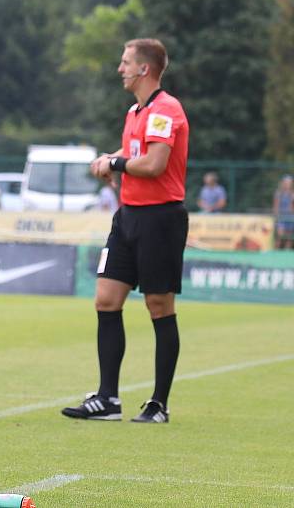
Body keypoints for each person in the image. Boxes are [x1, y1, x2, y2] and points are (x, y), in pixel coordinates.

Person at [61, 38, 189, 424]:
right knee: (106, 299)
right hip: (128, 217)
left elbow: (153, 165)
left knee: (159, 306)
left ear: (144, 69)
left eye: (126, 62)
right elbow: (133, 167)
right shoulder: (135, 111)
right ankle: (108, 399)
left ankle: (158, 404)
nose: (120, 68)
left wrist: (113, 162)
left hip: (160, 220)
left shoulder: (166, 110)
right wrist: (114, 171)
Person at [273, 175, 294, 249]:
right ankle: (274, 254)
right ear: (283, 183)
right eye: (286, 182)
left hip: (291, 218)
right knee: (280, 237)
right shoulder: (279, 193)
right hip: (281, 217)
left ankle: (286, 255)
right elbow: (276, 207)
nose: (288, 184)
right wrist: (276, 217)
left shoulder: (292, 193)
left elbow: (292, 208)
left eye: (290, 182)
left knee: (290, 238)